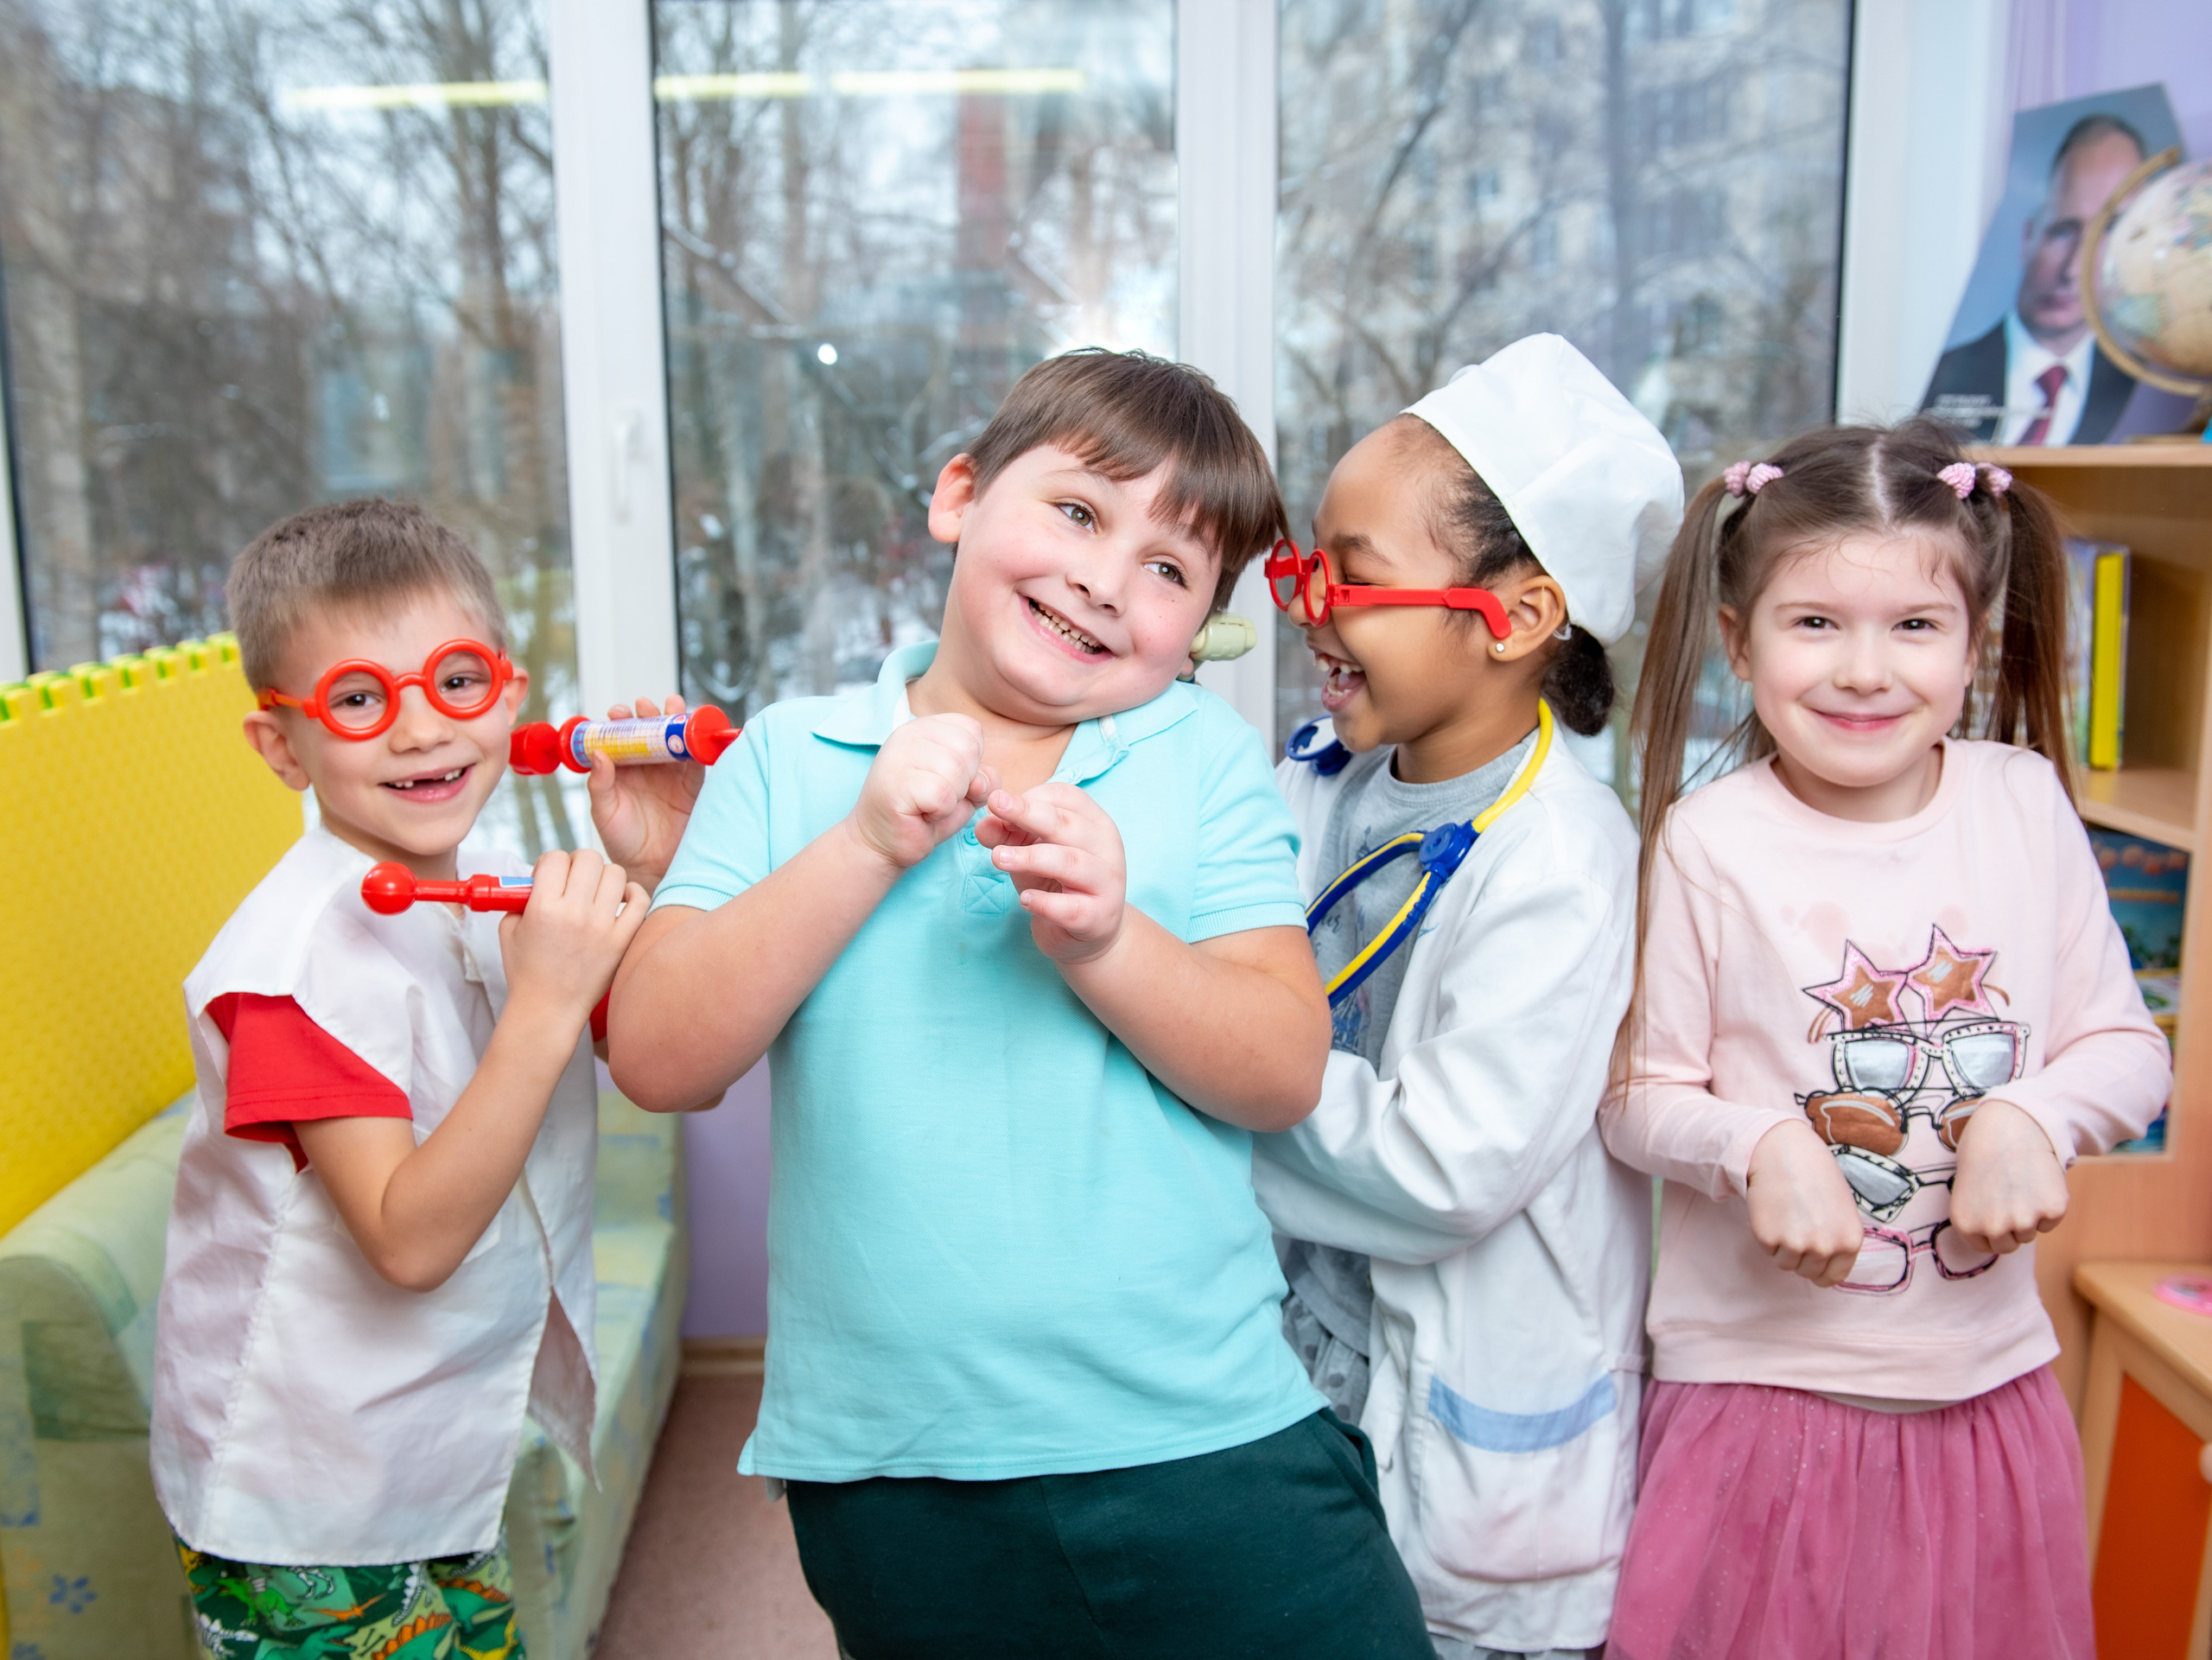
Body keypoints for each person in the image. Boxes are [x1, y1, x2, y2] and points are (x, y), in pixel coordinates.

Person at [608, 349, 1434, 1659]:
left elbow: (1283, 1066)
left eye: (1172, 570)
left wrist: (1108, 941)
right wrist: (866, 842)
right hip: (893, 1462)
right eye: (1078, 512)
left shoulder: (1201, 759)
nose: (1108, 581)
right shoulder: (791, 755)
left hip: (1209, 1426)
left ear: (1204, 623)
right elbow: (658, 1056)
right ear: (958, 497)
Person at [1602, 420, 2170, 1658]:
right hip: (1755, 1407)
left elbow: (2126, 1049)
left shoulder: (2021, 803)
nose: (1866, 670)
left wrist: (2035, 1113)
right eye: (1816, 624)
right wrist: (1759, 1145)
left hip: (1988, 1401)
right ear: (1737, 641)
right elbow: (1640, 1096)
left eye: (1914, 626)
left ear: (1975, 645)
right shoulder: (1710, 840)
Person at [150, 498, 700, 1660]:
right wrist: (546, 1002)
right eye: (357, 698)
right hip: (309, 1503)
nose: (418, 731)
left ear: (505, 693)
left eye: (452, 679)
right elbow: (406, 1241)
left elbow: (664, 1051)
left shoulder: (480, 893)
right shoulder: (282, 974)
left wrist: (660, 868)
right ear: (280, 745)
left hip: (437, 1449)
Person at [1252, 334, 1681, 1660]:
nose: (1311, 604)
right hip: (1312, 1363)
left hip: (1468, 1423)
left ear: (1522, 615)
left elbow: (1447, 1165)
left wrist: (1217, 1069)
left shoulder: (1563, 857)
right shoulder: (1327, 774)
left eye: (1356, 577)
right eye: (1307, 564)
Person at [1921, 113, 2145, 446]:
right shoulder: (1942, 375)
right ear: (2028, 238)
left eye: (2105, 235)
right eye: (2062, 232)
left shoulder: (2140, 392)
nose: (2072, 271)